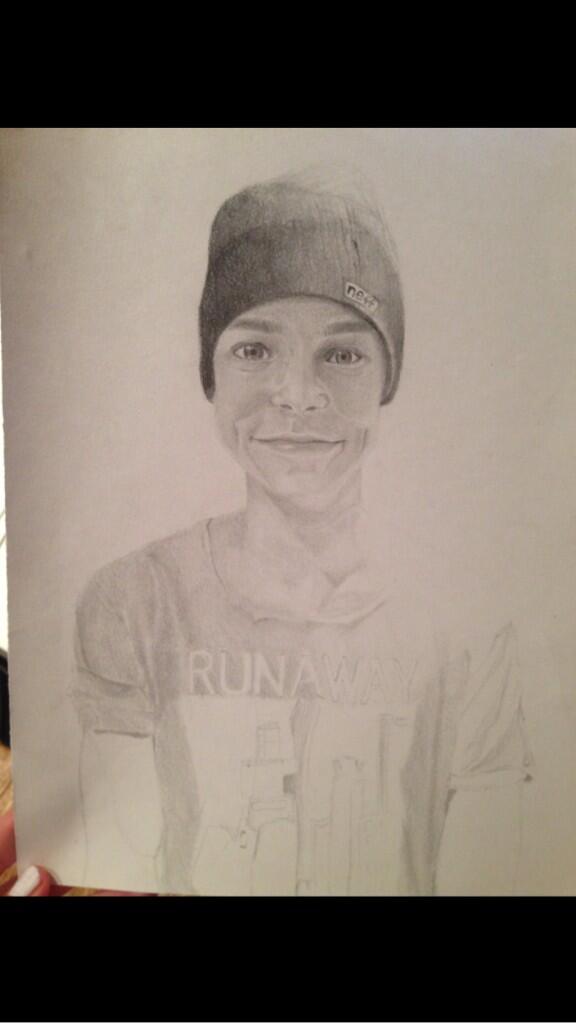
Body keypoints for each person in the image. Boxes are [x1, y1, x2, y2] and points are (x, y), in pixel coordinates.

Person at [72, 171, 533, 896]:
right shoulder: (132, 602)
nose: (298, 394)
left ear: (386, 379)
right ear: (210, 372)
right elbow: (115, 864)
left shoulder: (467, 626)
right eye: (254, 350)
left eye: (342, 354)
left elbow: (491, 869)